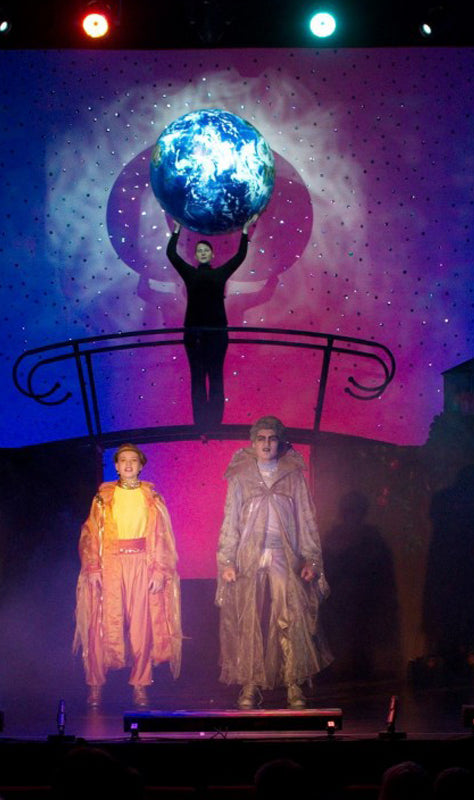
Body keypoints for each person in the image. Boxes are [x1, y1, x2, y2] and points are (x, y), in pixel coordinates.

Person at [216, 415, 332, 709]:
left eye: (272, 438)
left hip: (283, 551)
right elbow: (230, 520)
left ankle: (293, 682)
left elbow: (305, 518)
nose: (267, 444)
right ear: (253, 443)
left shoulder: (292, 475)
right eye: (261, 439)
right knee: (248, 617)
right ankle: (250, 684)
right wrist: (227, 560)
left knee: (289, 614)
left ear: (279, 443)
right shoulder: (241, 475)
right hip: (249, 556)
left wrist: (311, 559)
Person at [73, 444, 182, 708]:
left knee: (141, 627)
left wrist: (159, 570)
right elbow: (90, 534)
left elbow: (163, 537)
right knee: (100, 624)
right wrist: (93, 567)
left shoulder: (152, 497)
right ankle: (95, 685)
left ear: (141, 465)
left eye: (134, 460)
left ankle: (140, 685)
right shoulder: (103, 498)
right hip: (110, 564)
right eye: (123, 461)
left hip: (142, 564)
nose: (129, 465)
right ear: (117, 466)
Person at [166, 214, 258, 429]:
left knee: (216, 376)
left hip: (217, 334)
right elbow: (171, 254)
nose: (203, 252)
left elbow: (239, 256)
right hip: (194, 334)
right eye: (199, 251)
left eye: (206, 250)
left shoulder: (220, 274)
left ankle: (215, 422)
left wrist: (244, 231)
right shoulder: (189, 273)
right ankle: (200, 424)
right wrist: (176, 230)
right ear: (196, 255)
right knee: (197, 378)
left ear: (212, 254)